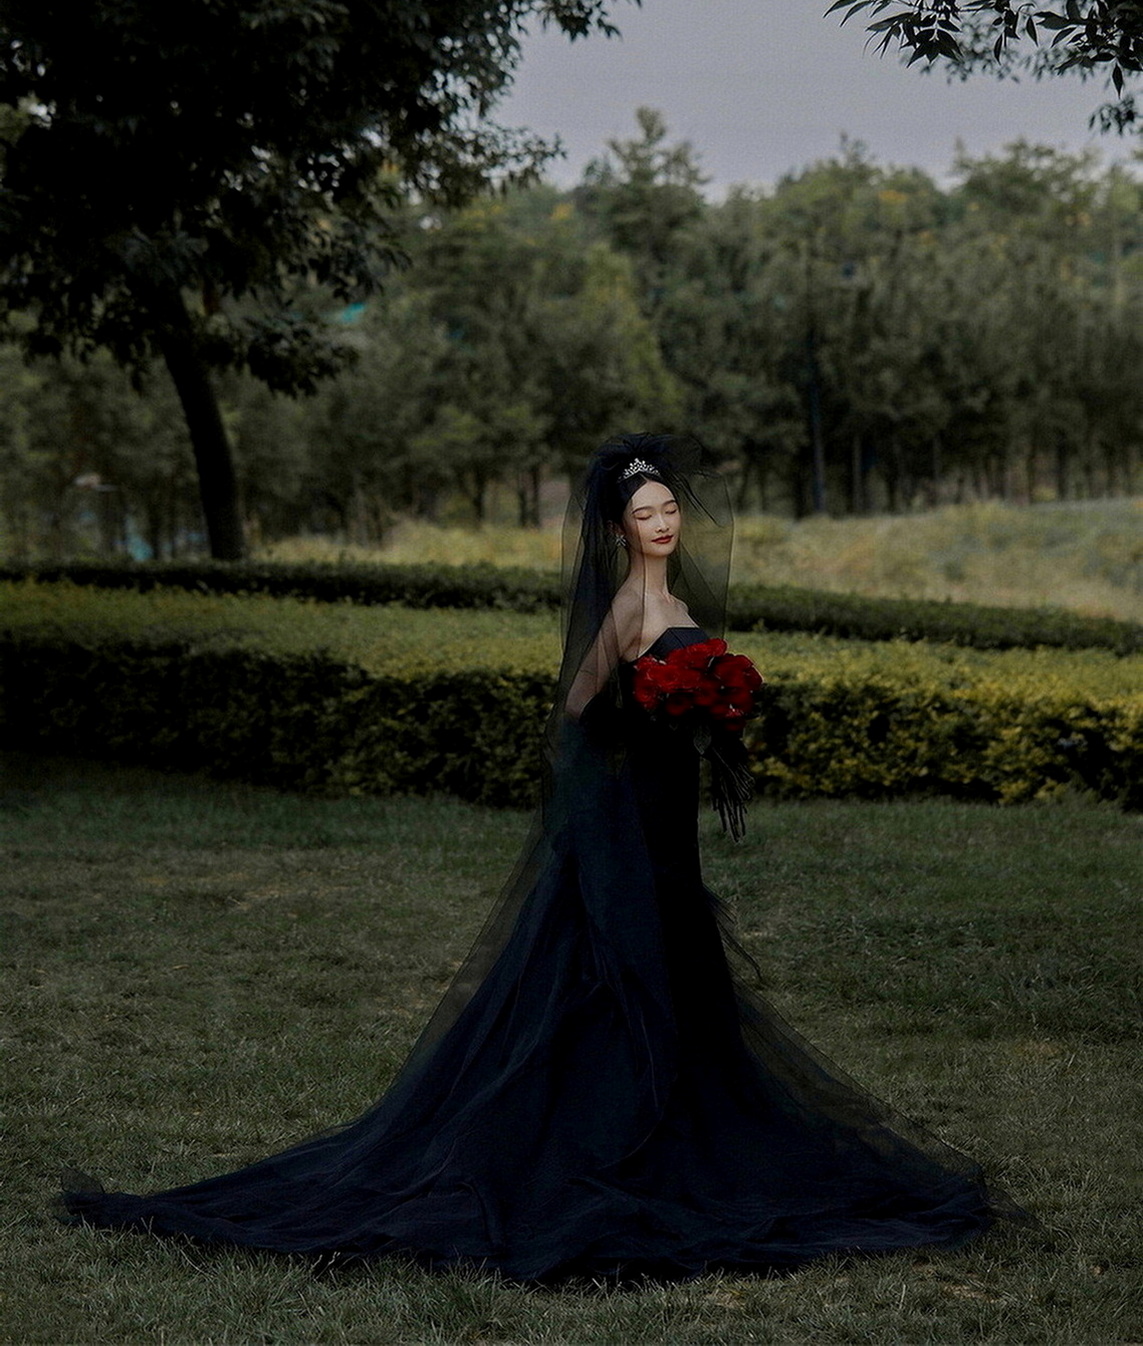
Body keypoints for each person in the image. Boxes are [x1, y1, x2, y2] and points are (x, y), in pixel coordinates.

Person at [62, 433, 1024, 1279]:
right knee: (612, 966)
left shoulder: (675, 596)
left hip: (669, 814)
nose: (661, 523)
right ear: (617, 528)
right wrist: (648, 716)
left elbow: (681, 688)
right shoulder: (626, 607)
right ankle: (601, 1127)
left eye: (668, 509)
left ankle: (681, 1115)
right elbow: (576, 709)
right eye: (644, 514)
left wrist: (705, 703)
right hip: (629, 809)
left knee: (675, 957)